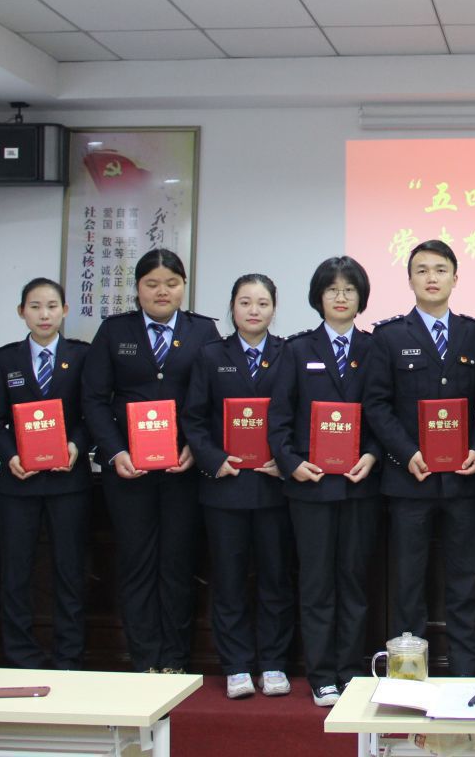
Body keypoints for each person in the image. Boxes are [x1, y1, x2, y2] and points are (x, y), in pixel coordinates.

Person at [81, 248, 219, 673]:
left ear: (184, 286)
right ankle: (144, 659)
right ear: (137, 288)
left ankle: (175, 659)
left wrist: (196, 446)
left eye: (171, 283)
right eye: (152, 284)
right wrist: (115, 451)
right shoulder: (114, 330)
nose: (162, 291)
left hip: (183, 469)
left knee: (177, 563)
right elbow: (93, 398)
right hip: (128, 471)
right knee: (136, 563)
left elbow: (216, 398)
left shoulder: (203, 331)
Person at [364, 240, 475, 676]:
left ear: (455, 277)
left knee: (464, 580)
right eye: (422, 270)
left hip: (464, 481)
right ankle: (407, 672)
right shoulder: (389, 336)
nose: (431, 277)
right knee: (408, 582)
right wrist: (407, 452)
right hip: (408, 481)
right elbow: (377, 404)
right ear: (409, 279)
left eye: (440, 269)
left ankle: (465, 670)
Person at [269, 256, 381, 706]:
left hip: (359, 485)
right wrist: (291, 463)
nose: (340, 297)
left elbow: (383, 412)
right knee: (316, 584)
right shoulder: (296, 350)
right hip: (310, 487)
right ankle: (321, 675)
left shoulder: (375, 348)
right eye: (332, 289)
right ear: (318, 297)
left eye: (349, 290)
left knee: (354, 582)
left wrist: (373, 454)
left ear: (361, 298)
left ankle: (350, 670)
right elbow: (278, 419)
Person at [181, 274, 292, 699]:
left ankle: (274, 663)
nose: (253, 310)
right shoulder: (211, 355)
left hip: (273, 487)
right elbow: (193, 417)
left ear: (274, 309)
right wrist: (214, 460)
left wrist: (286, 460)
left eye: (262, 303)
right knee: (228, 580)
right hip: (225, 488)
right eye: (245, 302)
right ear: (232, 307)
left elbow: (297, 414)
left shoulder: (288, 353)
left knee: (275, 579)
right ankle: (237, 665)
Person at [0, 277, 90, 670]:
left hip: (68, 482)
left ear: (65, 311)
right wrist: (9, 455)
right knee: (16, 572)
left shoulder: (82, 356)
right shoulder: (4, 360)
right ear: (21, 312)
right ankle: (21, 654)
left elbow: (92, 412)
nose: (44, 314)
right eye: (35, 306)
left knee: (69, 571)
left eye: (52, 306)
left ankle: (69, 656)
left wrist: (76, 446)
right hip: (18, 483)